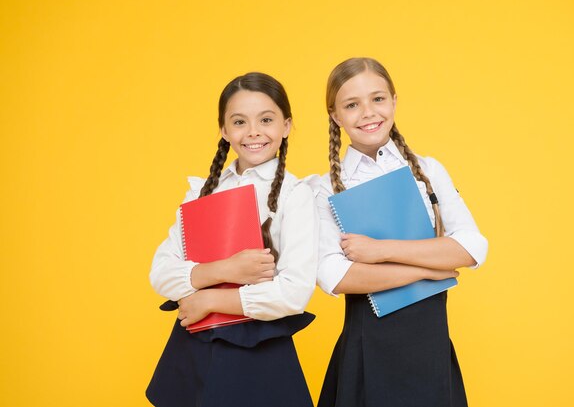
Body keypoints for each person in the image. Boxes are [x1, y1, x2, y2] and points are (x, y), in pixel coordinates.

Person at [315, 58, 488, 407]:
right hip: (366, 350)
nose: (368, 112)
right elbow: (335, 276)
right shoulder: (323, 188)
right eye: (352, 105)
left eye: (377, 99)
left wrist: (380, 251)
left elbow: (471, 247)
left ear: (394, 101)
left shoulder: (428, 170)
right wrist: (429, 268)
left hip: (430, 348)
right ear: (335, 115)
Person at [146, 72, 318, 407]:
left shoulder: (295, 195)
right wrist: (227, 269)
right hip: (196, 349)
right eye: (239, 121)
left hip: (261, 354)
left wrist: (209, 300)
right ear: (224, 131)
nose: (253, 131)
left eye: (266, 119)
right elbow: (161, 273)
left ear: (285, 126)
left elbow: (294, 292)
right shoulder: (201, 192)